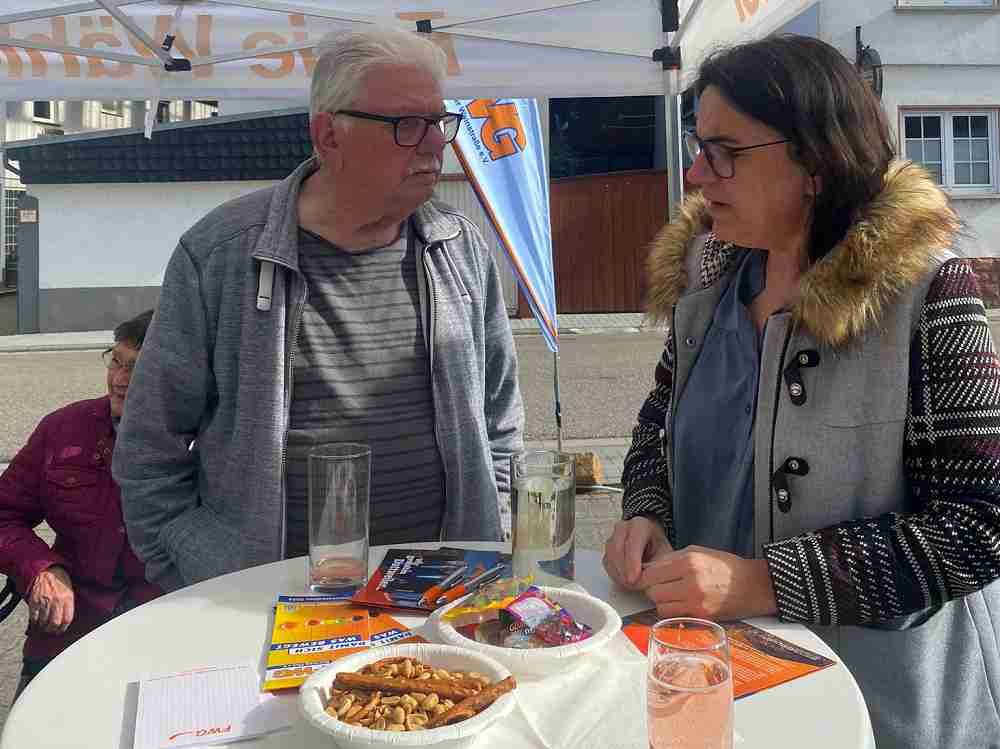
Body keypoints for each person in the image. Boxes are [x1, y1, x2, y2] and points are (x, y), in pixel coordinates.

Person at [603, 35, 1000, 749]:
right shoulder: (707, 284)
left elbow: (978, 526)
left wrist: (765, 582)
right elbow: (655, 431)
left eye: (724, 151)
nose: (696, 172)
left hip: (880, 714)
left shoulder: (927, 291)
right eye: (698, 146)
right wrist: (647, 510)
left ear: (816, 161)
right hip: (716, 684)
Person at [112, 27, 524, 593]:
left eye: (439, 121)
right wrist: (194, 570)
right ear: (329, 136)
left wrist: (492, 528)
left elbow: (500, 419)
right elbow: (149, 445)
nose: (436, 143)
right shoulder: (221, 254)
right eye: (408, 125)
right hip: (262, 603)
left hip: (443, 592)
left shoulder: (461, 248)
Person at [0, 310, 162, 697]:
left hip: (162, 635)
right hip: (67, 632)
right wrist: (40, 569)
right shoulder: (63, 428)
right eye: (116, 361)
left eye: (136, 368)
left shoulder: (208, 441)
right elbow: (4, 513)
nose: (119, 379)